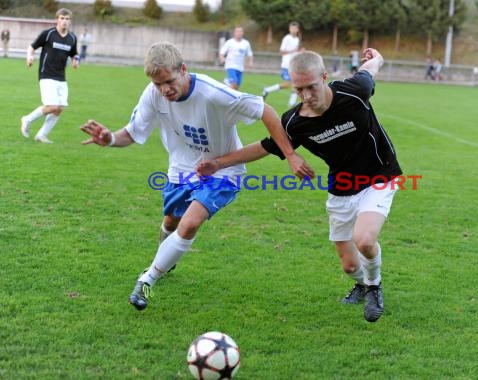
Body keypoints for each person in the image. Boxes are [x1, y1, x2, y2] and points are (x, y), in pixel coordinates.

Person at [79, 42, 314, 311]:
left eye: (169, 81)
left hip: (223, 171)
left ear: (183, 69)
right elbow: (132, 132)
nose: (164, 90)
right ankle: (166, 260)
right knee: (171, 221)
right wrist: (109, 139)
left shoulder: (213, 94)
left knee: (190, 224)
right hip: (181, 170)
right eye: (158, 84)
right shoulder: (153, 94)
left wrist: (291, 155)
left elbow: (266, 111)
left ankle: (147, 279)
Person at [198, 48, 402, 323]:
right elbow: (267, 146)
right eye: (299, 89)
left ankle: (374, 287)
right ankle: (362, 283)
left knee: (364, 239)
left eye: (311, 87)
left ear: (324, 77)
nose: (306, 95)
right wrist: (218, 164)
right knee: (349, 264)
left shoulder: (354, 91)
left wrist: (376, 57)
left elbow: (369, 70)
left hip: (380, 175)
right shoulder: (295, 121)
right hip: (341, 186)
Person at [20, 8, 80, 143]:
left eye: (67, 19)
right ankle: (27, 119)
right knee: (52, 106)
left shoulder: (72, 38)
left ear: (70, 21)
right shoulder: (48, 34)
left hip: (61, 77)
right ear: (57, 19)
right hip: (46, 75)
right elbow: (32, 47)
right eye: (62, 18)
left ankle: (41, 135)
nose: (64, 21)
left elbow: (74, 54)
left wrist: (76, 60)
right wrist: (29, 57)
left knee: (59, 108)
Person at [262, 21, 302, 107]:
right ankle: (291, 102)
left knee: (292, 83)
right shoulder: (286, 38)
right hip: (286, 65)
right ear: (289, 29)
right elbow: (281, 51)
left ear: (297, 29)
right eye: (291, 28)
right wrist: (293, 51)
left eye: (294, 28)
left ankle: (268, 90)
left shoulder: (297, 39)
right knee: (291, 83)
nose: (293, 30)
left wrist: (300, 52)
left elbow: (294, 53)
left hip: (293, 65)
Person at [218, 26, 253, 90]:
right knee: (233, 83)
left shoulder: (246, 43)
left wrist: (250, 62)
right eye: (237, 31)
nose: (239, 33)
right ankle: (230, 98)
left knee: (236, 87)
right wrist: (222, 58)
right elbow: (222, 51)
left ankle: (226, 81)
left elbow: (250, 53)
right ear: (234, 33)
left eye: (240, 31)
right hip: (230, 66)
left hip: (240, 68)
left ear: (243, 33)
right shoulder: (230, 42)